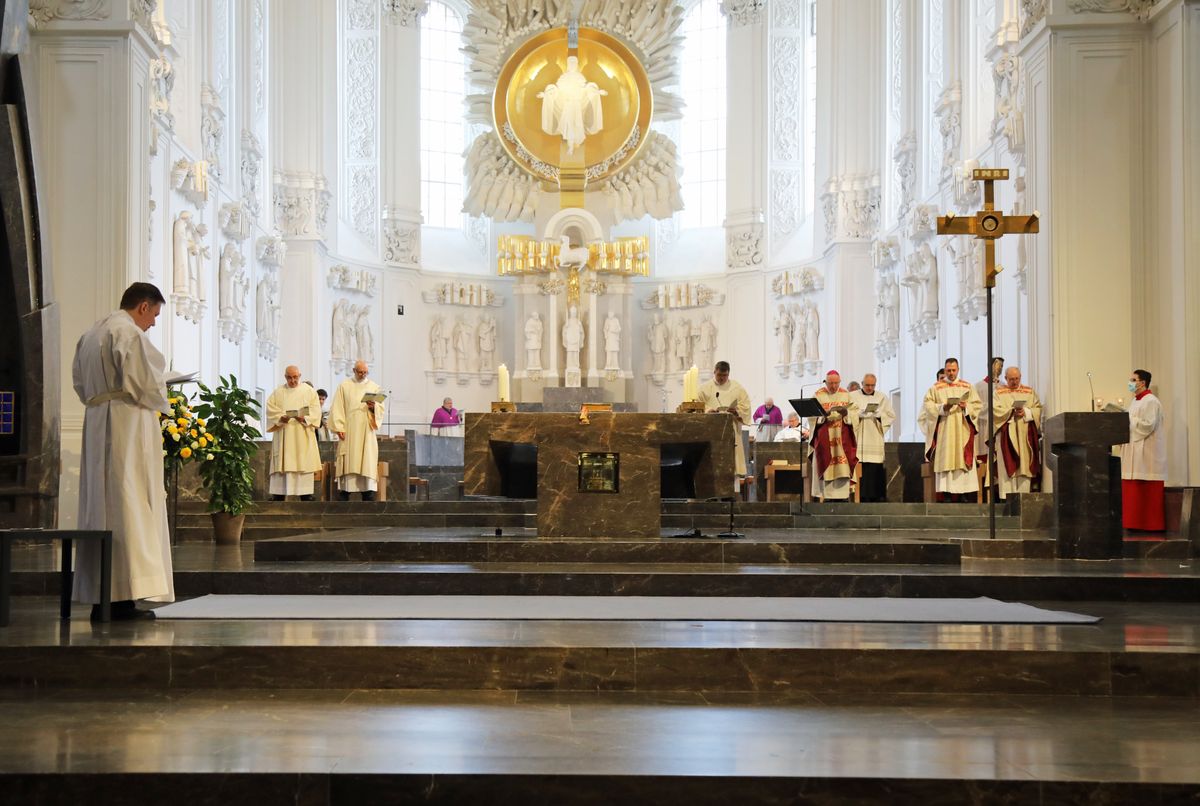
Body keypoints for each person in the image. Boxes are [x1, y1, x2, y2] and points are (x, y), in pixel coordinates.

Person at [71, 282, 173, 621]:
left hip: (97, 420)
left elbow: (80, 385)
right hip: (127, 425)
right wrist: (164, 389)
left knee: (100, 508)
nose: (152, 323)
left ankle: (101, 596)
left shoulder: (90, 335)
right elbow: (147, 385)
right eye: (154, 314)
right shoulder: (128, 334)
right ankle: (123, 597)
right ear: (143, 306)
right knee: (130, 504)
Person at [920, 357, 983, 502]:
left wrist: (966, 407)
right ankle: (947, 494)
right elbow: (928, 406)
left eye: (954, 370)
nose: (951, 373)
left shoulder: (967, 386)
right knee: (946, 460)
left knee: (962, 459)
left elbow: (977, 405)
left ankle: (962, 494)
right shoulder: (936, 388)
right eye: (948, 370)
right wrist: (943, 407)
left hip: (962, 429)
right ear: (945, 370)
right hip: (945, 430)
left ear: (958, 369)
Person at [330, 360, 385, 501]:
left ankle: (368, 492)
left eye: (365, 372)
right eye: (360, 372)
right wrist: (339, 427)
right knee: (349, 459)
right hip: (349, 430)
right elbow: (337, 408)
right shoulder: (344, 386)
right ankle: (345, 491)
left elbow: (381, 408)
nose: (363, 374)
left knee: (367, 459)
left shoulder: (374, 387)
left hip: (367, 429)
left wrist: (373, 407)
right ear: (354, 370)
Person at [265, 367, 322, 501]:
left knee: (303, 462)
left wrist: (305, 419)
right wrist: (280, 418)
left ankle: (305, 494)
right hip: (284, 434)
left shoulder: (309, 391)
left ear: (299, 375)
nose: (293, 380)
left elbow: (316, 410)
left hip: (302, 434)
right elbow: (270, 409)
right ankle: (278, 494)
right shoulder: (278, 392)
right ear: (285, 377)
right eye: (290, 377)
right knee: (282, 462)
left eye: (295, 377)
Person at [1120, 369, 1166, 531]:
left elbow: (1147, 425)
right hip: (1133, 450)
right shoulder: (1134, 401)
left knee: (1145, 489)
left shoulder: (1151, 401)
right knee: (1132, 490)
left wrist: (1127, 418)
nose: (1130, 383)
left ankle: (1150, 525)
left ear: (1142, 383)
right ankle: (1132, 524)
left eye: (1133, 380)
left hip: (1146, 451)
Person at [697, 361, 752, 486]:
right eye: (719, 375)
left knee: (732, 464)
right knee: (710, 464)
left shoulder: (737, 388)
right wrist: (708, 410)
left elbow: (746, 407)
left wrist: (736, 411)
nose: (722, 378)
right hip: (711, 429)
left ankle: (733, 491)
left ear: (728, 374)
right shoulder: (704, 388)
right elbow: (697, 405)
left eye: (724, 375)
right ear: (714, 372)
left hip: (731, 430)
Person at [992, 366, 1042, 500]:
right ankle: (1006, 499)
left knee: (1024, 466)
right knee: (1006, 466)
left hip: (1024, 435)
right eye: (1011, 379)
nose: (1014, 382)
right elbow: (995, 410)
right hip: (1006, 435)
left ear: (1020, 377)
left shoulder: (1029, 392)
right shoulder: (998, 393)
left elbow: (1037, 408)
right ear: (1005, 378)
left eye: (1016, 379)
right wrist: (1011, 412)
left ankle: (1023, 498)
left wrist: (1026, 412)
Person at [809, 370, 858, 502]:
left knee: (843, 466)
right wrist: (823, 416)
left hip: (842, 438)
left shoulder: (846, 395)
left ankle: (843, 496)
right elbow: (811, 416)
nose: (834, 386)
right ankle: (828, 497)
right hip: (826, 436)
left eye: (836, 383)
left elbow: (855, 413)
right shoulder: (818, 395)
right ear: (825, 382)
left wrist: (846, 414)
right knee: (826, 463)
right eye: (831, 383)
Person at [849, 374, 895, 502]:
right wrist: (859, 414)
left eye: (872, 385)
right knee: (861, 468)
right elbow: (847, 414)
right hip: (859, 439)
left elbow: (890, 415)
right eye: (867, 385)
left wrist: (879, 415)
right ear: (862, 383)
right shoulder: (852, 396)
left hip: (875, 437)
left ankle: (876, 497)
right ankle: (860, 496)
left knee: (874, 469)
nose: (870, 388)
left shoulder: (882, 397)